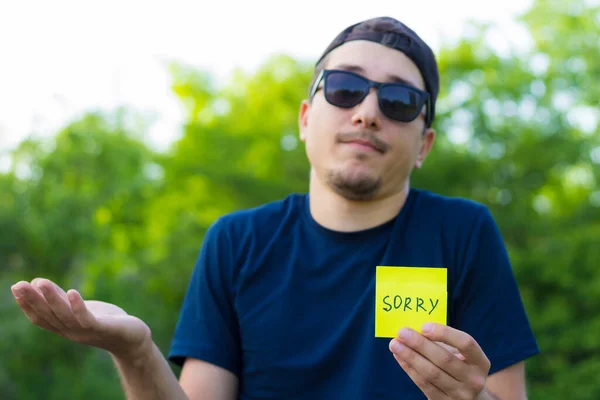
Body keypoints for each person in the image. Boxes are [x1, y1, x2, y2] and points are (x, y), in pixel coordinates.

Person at [10, 16, 539, 400]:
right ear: (307, 118)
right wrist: (134, 349)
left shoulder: (463, 231)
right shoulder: (237, 242)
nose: (368, 112)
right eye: (346, 88)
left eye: (399, 101)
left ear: (424, 144)